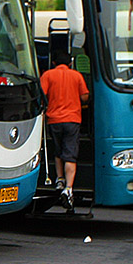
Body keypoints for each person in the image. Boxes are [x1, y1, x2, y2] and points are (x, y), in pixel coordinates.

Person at [40, 49, 89, 211]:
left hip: (54, 119)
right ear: (70, 63)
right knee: (70, 154)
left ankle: (59, 179)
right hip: (72, 119)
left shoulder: (48, 75)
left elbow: (42, 94)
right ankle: (69, 188)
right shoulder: (76, 76)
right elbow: (84, 97)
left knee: (58, 150)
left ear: (54, 63)